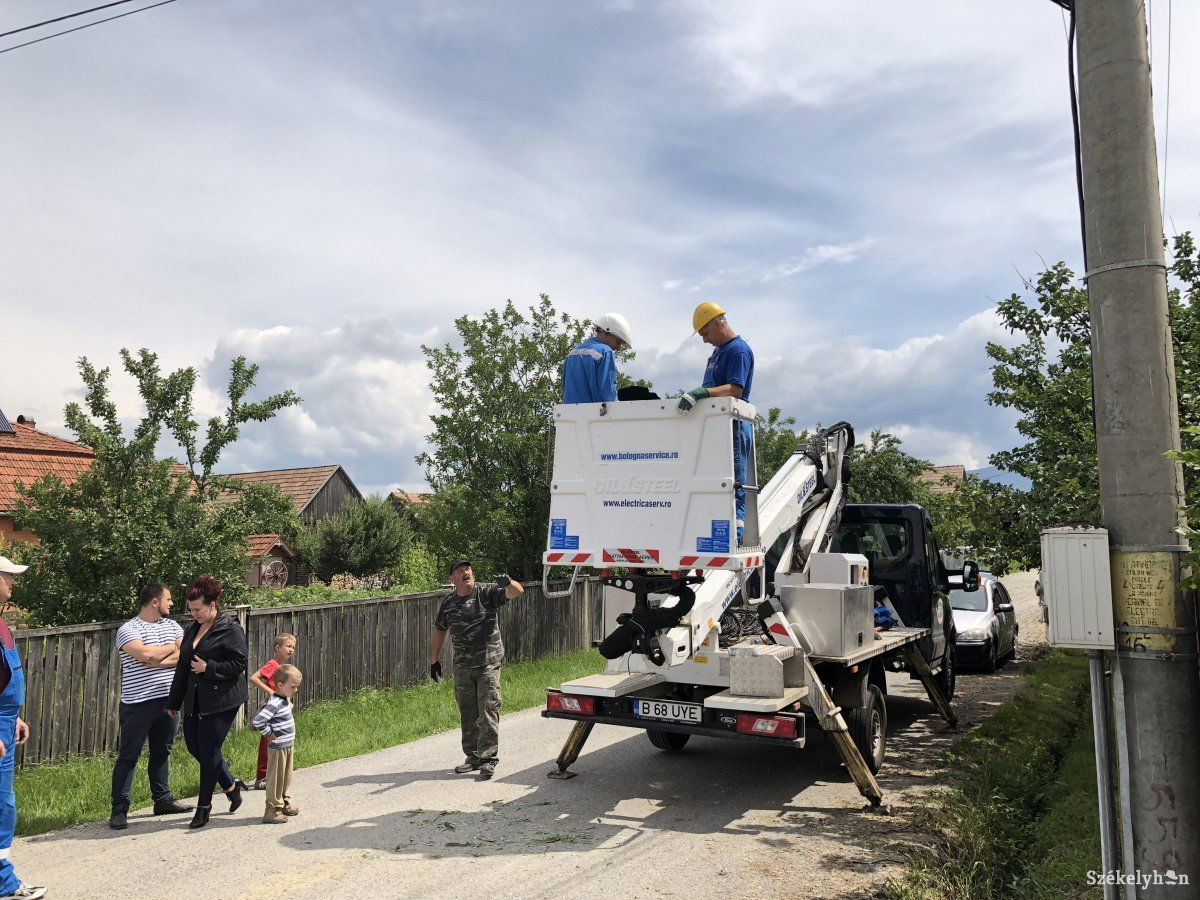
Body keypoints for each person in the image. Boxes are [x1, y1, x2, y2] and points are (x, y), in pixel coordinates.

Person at [166, 576, 248, 829]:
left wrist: (208, 667)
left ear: (213, 605)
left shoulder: (230, 628)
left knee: (210, 749)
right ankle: (230, 786)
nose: (194, 614)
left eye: (198, 610)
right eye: (191, 610)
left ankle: (204, 807)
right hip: (195, 698)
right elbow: (182, 667)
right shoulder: (192, 630)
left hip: (223, 699)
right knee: (194, 746)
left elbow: (239, 663)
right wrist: (173, 701)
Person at [429, 559, 524, 779]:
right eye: (460, 570)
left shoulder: (487, 593)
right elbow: (440, 630)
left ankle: (488, 758)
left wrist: (509, 582)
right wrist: (434, 660)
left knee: (488, 709)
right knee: (468, 712)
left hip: (488, 663)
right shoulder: (448, 602)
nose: (466, 572)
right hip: (462, 666)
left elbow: (517, 592)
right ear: (452, 578)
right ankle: (472, 757)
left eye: (468, 569)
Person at [109, 584, 191, 830]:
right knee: (129, 755)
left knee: (162, 751)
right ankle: (120, 809)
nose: (172, 603)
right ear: (155, 601)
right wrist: (168, 650)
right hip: (138, 702)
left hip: (168, 700)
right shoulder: (128, 629)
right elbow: (146, 655)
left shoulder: (173, 626)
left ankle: (162, 800)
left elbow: (186, 654)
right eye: (168, 598)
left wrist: (159, 658)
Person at [677, 301, 755, 538]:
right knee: (711, 480)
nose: (704, 340)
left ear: (719, 324)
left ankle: (735, 536)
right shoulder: (718, 352)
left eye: (705, 333)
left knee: (733, 481)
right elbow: (711, 386)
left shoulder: (737, 350)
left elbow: (735, 389)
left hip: (733, 425)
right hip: (714, 426)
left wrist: (702, 393)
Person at [0, 557, 45, 900]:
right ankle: (4, 883)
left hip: (5, 723)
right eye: (8, 577)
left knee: (4, 805)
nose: (13, 584)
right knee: (2, 805)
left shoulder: (2, 625)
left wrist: (13, 715)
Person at [250, 663, 302, 825]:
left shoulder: (285, 699)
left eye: (297, 687)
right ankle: (272, 809)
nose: (295, 690)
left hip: (287, 745)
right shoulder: (275, 702)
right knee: (276, 778)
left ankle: (283, 801)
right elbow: (258, 721)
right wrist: (269, 734)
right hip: (278, 747)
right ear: (280, 685)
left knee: (286, 777)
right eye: (292, 687)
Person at [248, 633, 297, 790]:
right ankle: (261, 777)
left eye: (293, 647)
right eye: (288, 646)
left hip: (281, 709)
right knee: (267, 741)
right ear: (277, 647)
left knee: (278, 740)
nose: (291, 650)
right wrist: (271, 692)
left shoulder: (283, 668)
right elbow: (254, 678)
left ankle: (273, 774)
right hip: (273, 710)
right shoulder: (273, 664)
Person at [562, 313, 634, 404]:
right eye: (618, 341)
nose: (618, 348)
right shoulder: (605, 352)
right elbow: (607, 393)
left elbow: (565, 388)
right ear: (606, 333)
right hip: (595, 414)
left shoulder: (572, 353)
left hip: (570, 414)